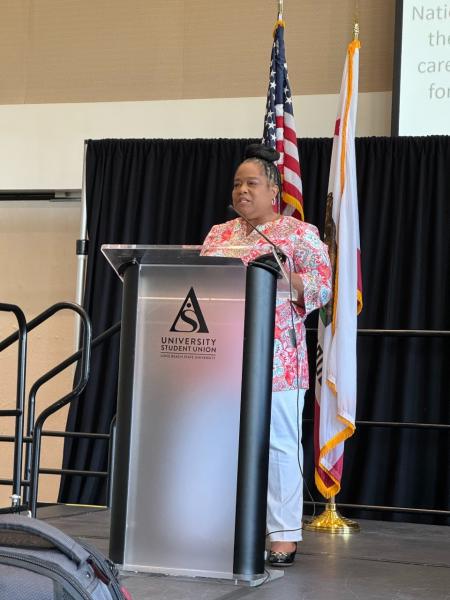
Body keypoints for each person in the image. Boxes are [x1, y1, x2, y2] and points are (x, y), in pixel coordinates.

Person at [201, 144, 332, 566]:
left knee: (278, 446)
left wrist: (290, 277)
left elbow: (324, 288)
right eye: (237, 183)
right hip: (219, 359)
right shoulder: (220, 234)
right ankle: (220, 526)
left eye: (251, 183)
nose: (242, 190)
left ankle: (282, 535)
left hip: (280, 362)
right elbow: (197, 282)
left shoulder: (300, 235)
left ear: (273, 189)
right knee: (220, 444)